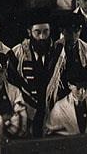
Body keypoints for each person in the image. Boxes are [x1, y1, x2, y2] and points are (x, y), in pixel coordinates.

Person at [11, 8, 59, 136]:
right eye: (37, 32)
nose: (42, 37)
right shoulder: (18, 53)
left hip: (51, 108)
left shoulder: (59, 53)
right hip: (26, 108)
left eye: (46, 32)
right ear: (29, 32)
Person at [46, 11, 87, 109]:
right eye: (69, 32)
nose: (73, 36)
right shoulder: (55, 48)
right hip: (61, 93)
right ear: (62, 31)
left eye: (76, 31)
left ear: (80, 31)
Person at [44, 65, 87, 136]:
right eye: (78, 88)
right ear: (69, 85)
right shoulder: (59, 108)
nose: (82, 92)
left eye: (85, 88)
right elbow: (49, 134)